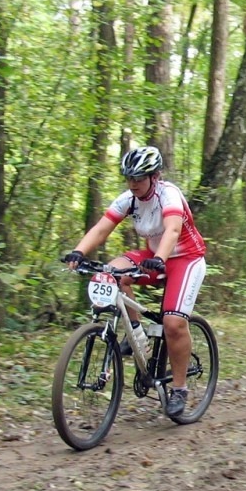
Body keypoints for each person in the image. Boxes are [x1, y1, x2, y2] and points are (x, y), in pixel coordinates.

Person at [63, 146, 207, 417]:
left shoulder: (168, 194)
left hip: (186, 258)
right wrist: (78, 252)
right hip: (155, 256)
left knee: (173, 323)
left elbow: (173, 229)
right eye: (129, 178)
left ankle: (179, 389)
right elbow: (102, 228)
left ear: (155, 176)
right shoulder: (129, 199)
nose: (133, 183)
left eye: (139, 178)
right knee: (110, 273)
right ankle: (137, 335)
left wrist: (161, 257)